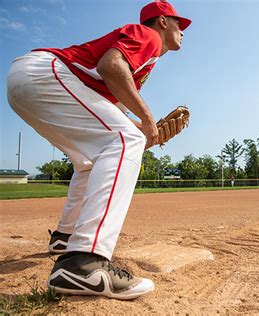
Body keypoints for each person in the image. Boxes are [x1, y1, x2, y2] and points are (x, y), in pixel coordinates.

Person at [7, 1, 191, 300]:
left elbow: (111, 110)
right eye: (177, 23)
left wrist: (148, 132)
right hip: (46, 76)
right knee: (125, 140)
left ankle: (65, 240)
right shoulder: (149, 37)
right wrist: (146, 121)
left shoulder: (143, 60)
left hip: (31, 81)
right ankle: (83, 263)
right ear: (161, 21)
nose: (182, 30)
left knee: (92, 160)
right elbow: (111, 66)